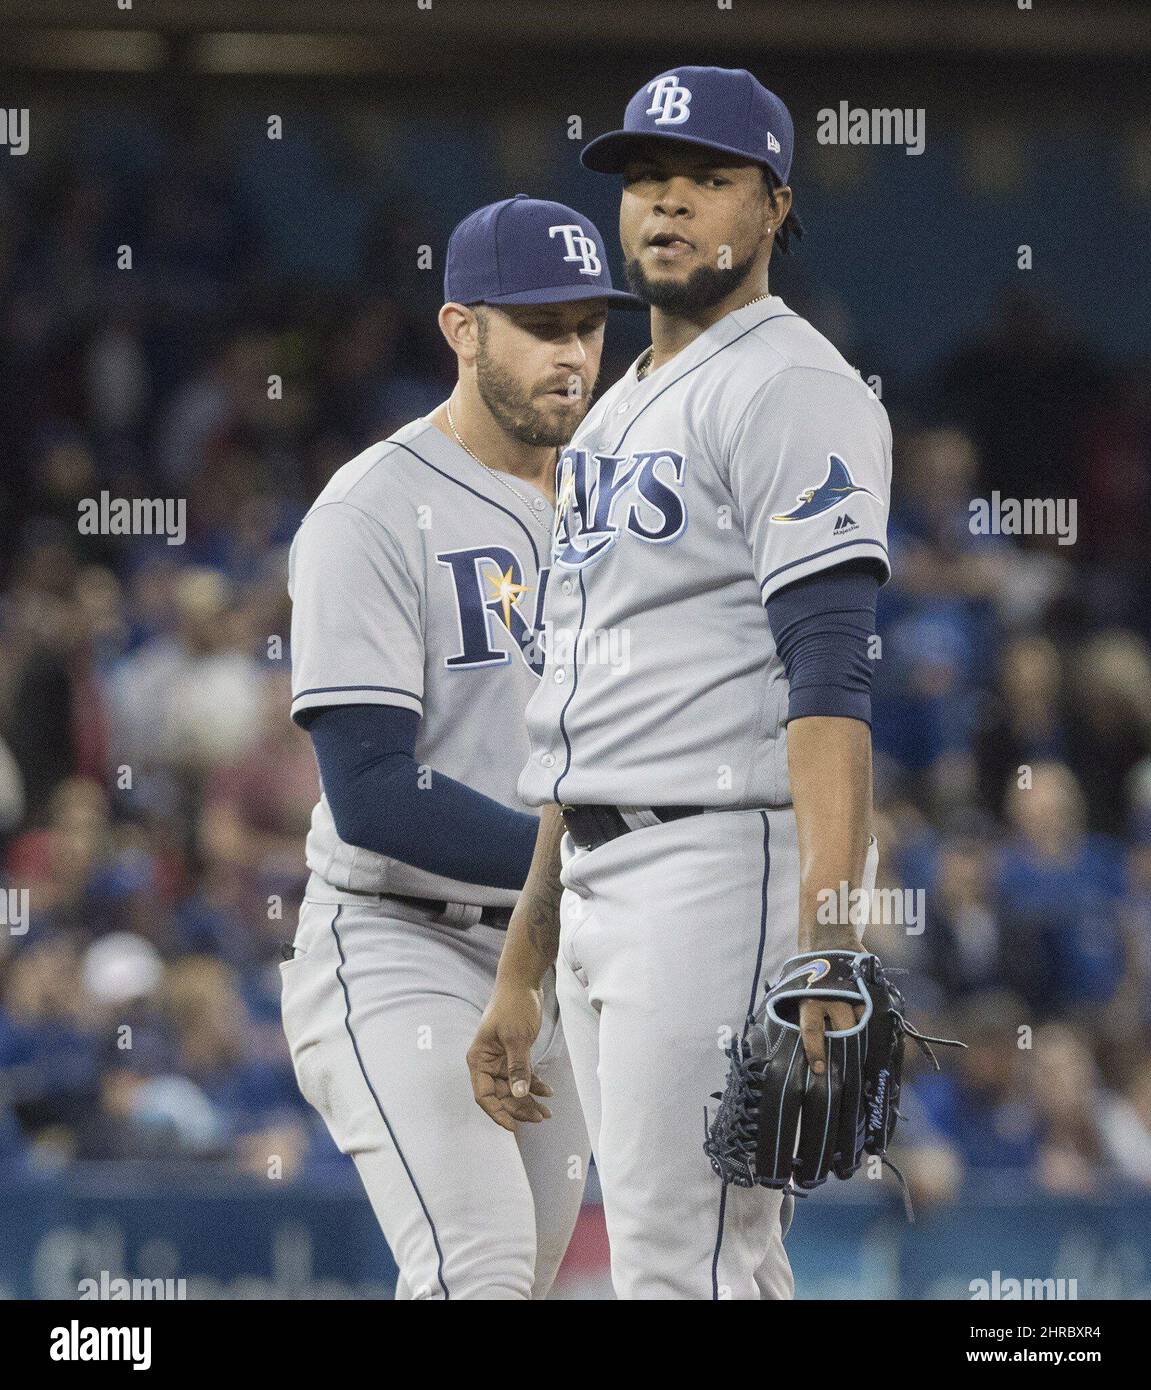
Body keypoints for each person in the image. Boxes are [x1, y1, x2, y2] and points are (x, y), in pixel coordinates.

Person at [469, 68, 891, 1299]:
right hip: (605, 868)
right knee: (702, 1261)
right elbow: (583, 712)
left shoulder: (789, 384)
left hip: (716, 867)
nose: (666, 204)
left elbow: (829, 672)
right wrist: (521, 963)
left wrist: (826, 939)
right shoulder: (611, 414)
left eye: (708, 179)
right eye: (647, 179)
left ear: (771, 207)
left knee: (682, 1264)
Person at [281, 196, 638, 1299]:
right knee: (474, 1265)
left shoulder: (618, 503)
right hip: (398, 941)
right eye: (541, 325)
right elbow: (375, 791)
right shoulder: (371, 510)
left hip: (552, 954)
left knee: (518, 1278)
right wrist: (591, 859)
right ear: (462, 328)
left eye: (589, 325)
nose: (573, 353)